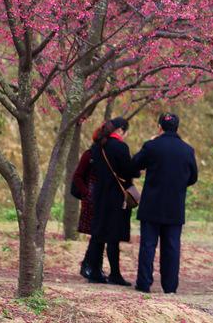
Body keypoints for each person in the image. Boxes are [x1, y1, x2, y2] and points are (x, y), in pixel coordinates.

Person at [131, 112, 198, 294]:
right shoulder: (187, 150)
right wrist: (179, 185)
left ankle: (144, 283)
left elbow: (135, 163)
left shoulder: (152, 146)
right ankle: (170, 286)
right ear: (177, 127)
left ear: (159, 127)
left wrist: (149, 143)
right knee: (172, 247)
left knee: (148, 246)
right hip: (174, 205)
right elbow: (193, 177)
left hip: (151, 204)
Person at [86, 117, 135, 286]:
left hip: (99, 194)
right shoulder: (120, 147)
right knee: (114, 235)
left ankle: (94, 271)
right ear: (120, 130)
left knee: (98, 233)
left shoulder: (97, 146)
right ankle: (115, 274)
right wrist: (136, 171)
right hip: (116, 196)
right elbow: (128, 171)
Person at [71, 124, 104, 280]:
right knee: (97, 234)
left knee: (98, 235)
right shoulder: (89, 155)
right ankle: (89, 265)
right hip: (91, 199)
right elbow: (77, 176)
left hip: (100, 197)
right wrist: (86, 193)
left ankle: (93, 266)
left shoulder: (104, 154)